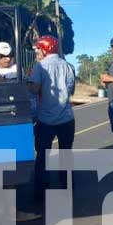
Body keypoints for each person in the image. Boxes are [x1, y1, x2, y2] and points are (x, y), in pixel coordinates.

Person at [28, 35, 76, 202]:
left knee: (42, 156)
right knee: (65, 153)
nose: (37, 52)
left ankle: (41, 191)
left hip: (46, 119)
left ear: (44, 49)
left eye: (38, 49)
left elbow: (34, 89)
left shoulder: (40, 66)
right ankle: (66, 187)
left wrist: (28, 83)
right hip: (67, 118)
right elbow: (71, 90)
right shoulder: (68, 66)